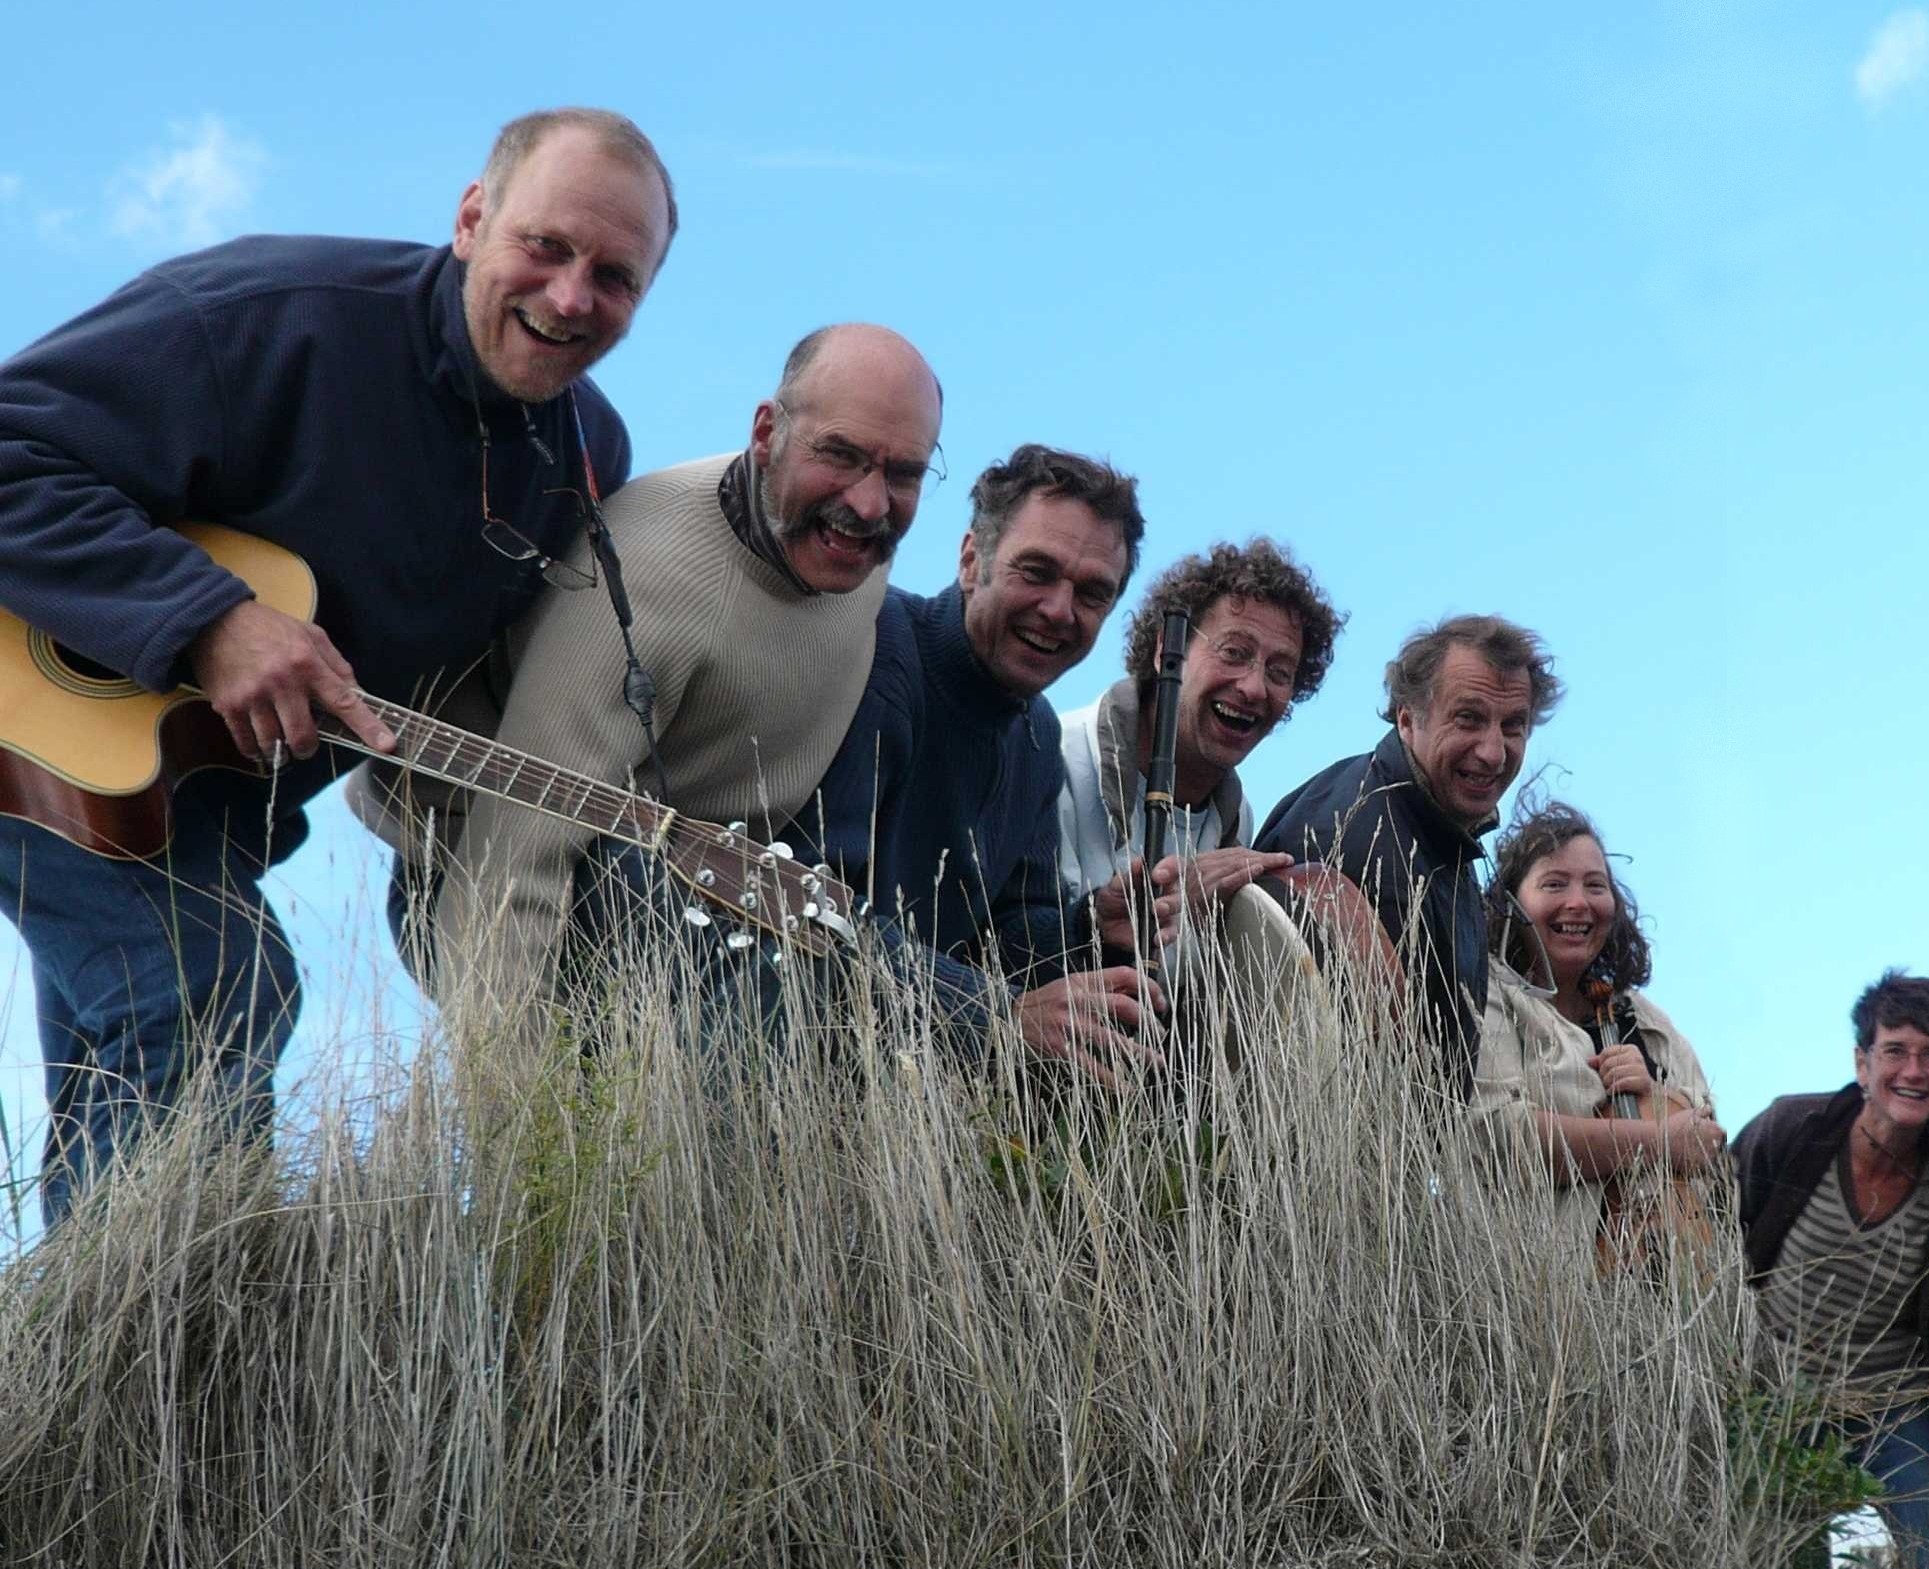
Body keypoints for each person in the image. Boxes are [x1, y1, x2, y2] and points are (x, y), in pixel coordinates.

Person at [0, 108, 677, 1224]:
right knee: (214, 989)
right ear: (471, 217)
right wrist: (209, 618)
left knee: (128, 1072)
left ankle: (82, 1374)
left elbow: (502, 687)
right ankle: (163, 1359)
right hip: (26, 727)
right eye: (546, 248)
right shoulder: (265, 319)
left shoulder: (587, 460)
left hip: (183, 807)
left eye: (615, 277)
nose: (570, 298)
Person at [361, 323, 943, 1007]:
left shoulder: (847, 544)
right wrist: (514, 1103)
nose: (869, 503)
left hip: (710, 884)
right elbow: (511, 866)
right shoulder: (643, 581)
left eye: (902, 472)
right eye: (839, 455)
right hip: (486, 881)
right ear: (766, 434)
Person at [784, 444, 1164, 1085]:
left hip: (900, 1101)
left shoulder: (1037, 733)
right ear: (970, 560)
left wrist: (1088, 926)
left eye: (1093, 593)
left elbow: (1007, 931)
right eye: (1036, 571)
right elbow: (802, 907)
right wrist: (994, 1016)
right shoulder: (871, 646)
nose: (1059, 611)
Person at [1734, 970, 1929, 1569]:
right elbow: (1711, 1231)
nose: (1913, 1072)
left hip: (1890, 1401)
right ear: (1862, 1062)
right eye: (1895, 1050)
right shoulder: (1792, 1131)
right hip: (1775, 1392)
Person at [1255, 615, 1559, 1093]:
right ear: (1407, 717)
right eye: (1469, 718)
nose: (1493, 752)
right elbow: (1386, 1088)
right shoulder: (1367, 839)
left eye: (1513, 726)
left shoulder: (1426, 828)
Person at [1054, 536, 1340, 966]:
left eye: (1280, 672)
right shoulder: (1060, 760)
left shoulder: (1236, 816)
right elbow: (1014, 949)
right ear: (1166, 652)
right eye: (1234, 652)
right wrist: (1137, 915)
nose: (1253, 687)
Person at [1473, 799, 1725, 1261]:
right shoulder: (1489, 992)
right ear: (1512, 903)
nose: (1578, 902)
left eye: (1595, 886)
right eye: (1554, 884)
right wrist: (1657, 1142)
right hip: (1533, 1287)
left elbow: (1707, 1141)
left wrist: (1655, 1094)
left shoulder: (1646, 1020)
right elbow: (1499, 1138)